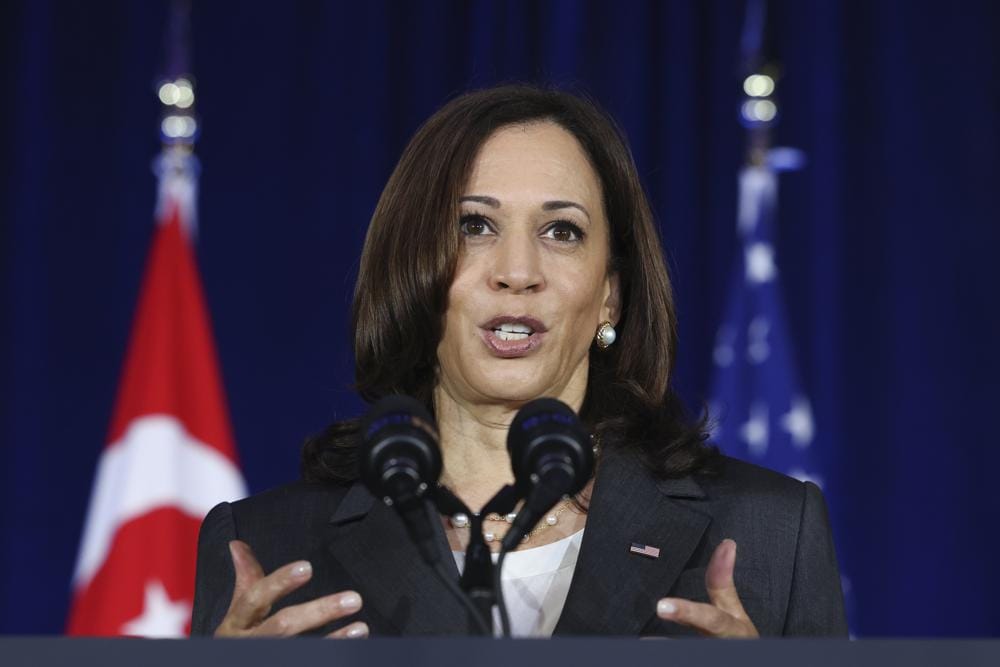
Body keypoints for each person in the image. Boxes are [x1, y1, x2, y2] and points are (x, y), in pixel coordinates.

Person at [190, 84, 847, 638]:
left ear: (609, 295)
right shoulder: (268, 545)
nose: (517, 271)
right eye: (475, 225)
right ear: (413, 270)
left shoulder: (768, 535)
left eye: (562, 231)